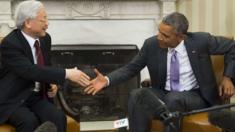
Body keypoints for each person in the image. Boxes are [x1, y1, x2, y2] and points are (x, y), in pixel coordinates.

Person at [84, 12, 235, 132]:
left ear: (181, 36)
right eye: (159, 32)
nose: (159, 38)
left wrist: (227, 77)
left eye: (165, 36)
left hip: (195, 96)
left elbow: (231, 47)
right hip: (163, 92)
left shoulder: (201, 41)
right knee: (137, 95)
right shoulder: (151, 44)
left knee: (174, 99)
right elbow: (131, 68)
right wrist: (107, 80)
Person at [0, 0, 91, 132]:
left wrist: (53, 83)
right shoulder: (10, 44)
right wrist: (67, 73)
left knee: (58, 117)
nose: (47, 24)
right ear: (28, 23)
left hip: (37, 98)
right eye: (43, 20)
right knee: (29, 121)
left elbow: (46, 65)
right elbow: (29, 70)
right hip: (13, 100)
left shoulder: (44, 39)